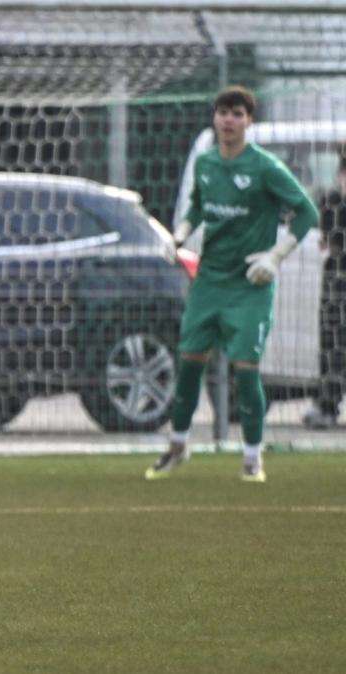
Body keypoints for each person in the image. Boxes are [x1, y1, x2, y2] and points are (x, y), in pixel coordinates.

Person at [146, 85, 318, 483]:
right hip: (209, 280)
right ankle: (177, 445)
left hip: (248, 286)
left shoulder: (265, 167)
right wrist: (181, 232)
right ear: (215, 118)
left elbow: (307, 212)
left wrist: (276, 256)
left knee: (245, 369)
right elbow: (196, 207)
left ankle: (253, 457)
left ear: (248, 121)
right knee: (190, 364)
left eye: (237, 113)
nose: (229, 120)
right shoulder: (206, 164)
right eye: (223, 112)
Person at [302, 154, 346, 429]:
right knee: (333, 342)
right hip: (338, 279)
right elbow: (326, 237)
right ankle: (328, 405)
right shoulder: (332, 200)